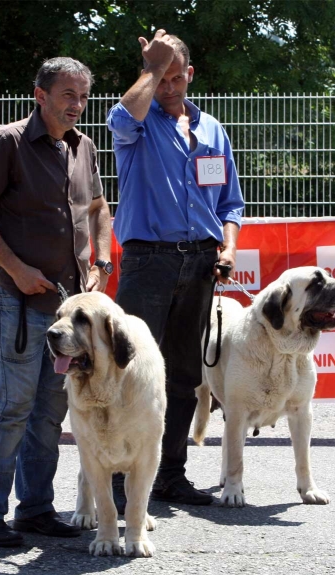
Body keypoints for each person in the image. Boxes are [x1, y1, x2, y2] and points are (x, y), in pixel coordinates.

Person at [0, 57, 113, 547]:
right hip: (21, 303)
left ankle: (35, 510)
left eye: (83, 96)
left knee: (50, 408)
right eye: (68, 95)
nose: (77, 105)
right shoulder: (8, 142)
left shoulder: (83, 146)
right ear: (39, 95)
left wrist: (102, 263)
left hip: (70, 310)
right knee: (11, 407)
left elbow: (97, 207)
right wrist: (16, 269)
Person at [107, 30, 244, 511]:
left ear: (190, 75)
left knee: (184, 373)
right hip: (149, 260)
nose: (167, 85)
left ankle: (169, 475)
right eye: (159, 77)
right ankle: (121, 482)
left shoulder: (213, 130)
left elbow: (230, 203)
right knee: (129, 367)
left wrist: (228, 249)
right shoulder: (138, 123)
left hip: (203, 262)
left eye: (174, 75)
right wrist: (149, 66)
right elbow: (120, 117)